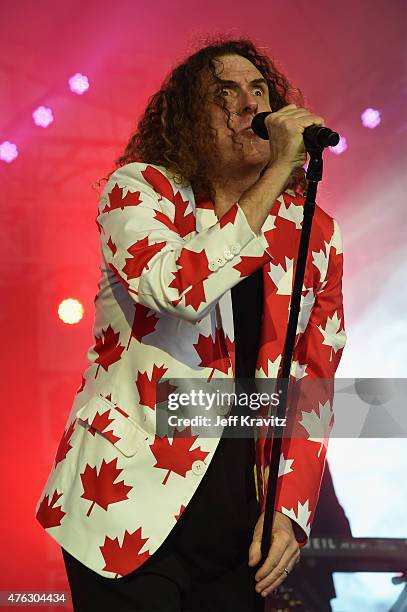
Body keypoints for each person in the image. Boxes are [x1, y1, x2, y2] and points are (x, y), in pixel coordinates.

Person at [35, 38, 346, 611]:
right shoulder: (140, 192)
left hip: (239, 528)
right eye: (225, 96)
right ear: (188, 121)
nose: (251, 107)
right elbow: (175, 287)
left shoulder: (313, 230)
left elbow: (314, 378)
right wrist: (279, 169)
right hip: (124, 512)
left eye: (260, 92)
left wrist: (290, 509)